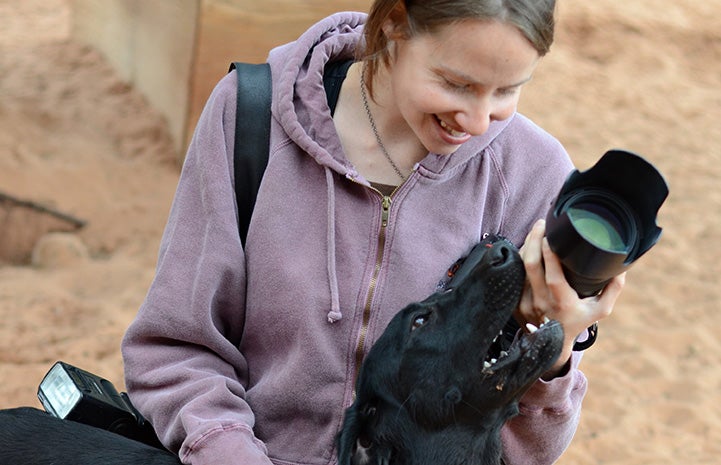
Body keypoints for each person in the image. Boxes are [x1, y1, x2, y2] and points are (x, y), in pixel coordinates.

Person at [121, 1, 625, 464]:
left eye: (508, 90)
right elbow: (175, 351)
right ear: (395, 23)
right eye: (456, 84)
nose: (476, 120)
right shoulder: (249, 115)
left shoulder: (535, 173)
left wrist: (556, 352)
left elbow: (520, 452)